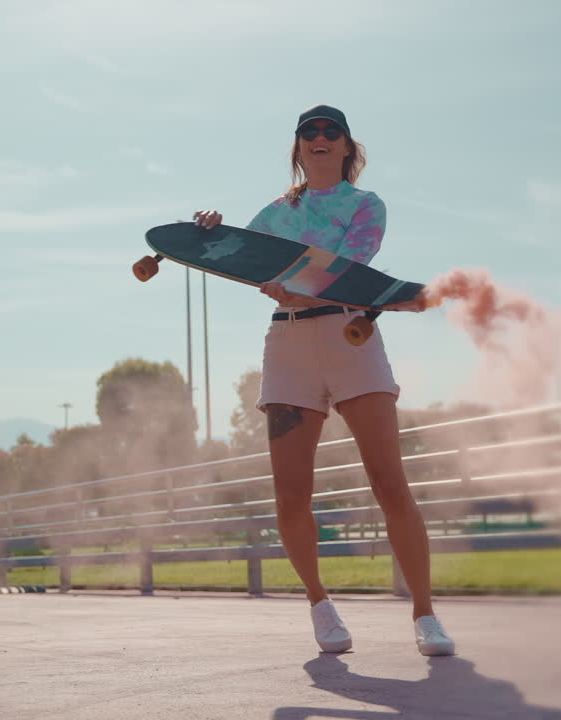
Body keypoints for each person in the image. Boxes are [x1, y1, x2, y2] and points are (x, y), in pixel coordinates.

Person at [192, 105, 455, 657]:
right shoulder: (275, 212)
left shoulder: (365, 206)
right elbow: (240, 260)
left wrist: (298, 287)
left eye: (330, 131)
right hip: (287, 344)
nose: (319, 138)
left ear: (345, 147)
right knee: (291, 495)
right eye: (308, 132)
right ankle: (320, 604)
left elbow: (347, 270)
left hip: (348, 337)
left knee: (389, 482)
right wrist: (207, 236)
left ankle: (426, 614)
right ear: (298, 148)